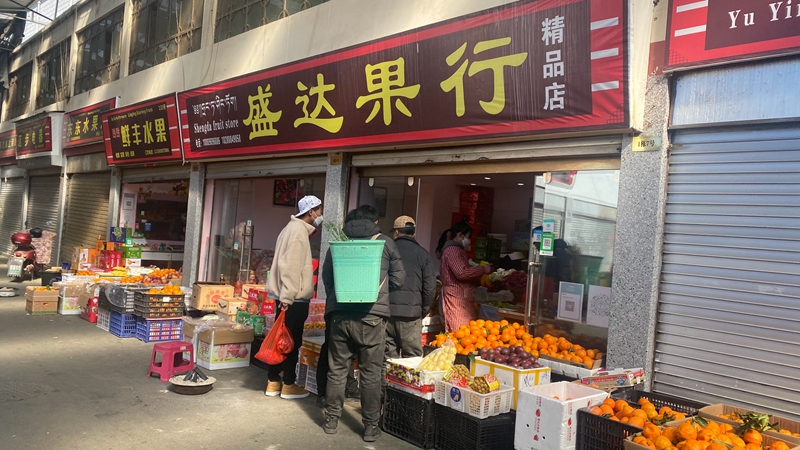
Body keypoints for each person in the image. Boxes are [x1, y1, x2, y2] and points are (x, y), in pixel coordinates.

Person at [321, 205, 405, 442]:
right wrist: (377, 292)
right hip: (371, 318)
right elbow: (399, 279)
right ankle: (370, 427)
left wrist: (341, 296)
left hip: (340, 315)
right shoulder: (385, 243)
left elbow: (327, 278)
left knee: (337, 370)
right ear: (375, 222)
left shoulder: (339, 243)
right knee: (370, 373)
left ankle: (331, 420)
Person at [264, 195, 324, 400]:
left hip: (283, 295)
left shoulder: (289, 228)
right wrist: (288, 297)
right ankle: (288, 384)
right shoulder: (298, 231)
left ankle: (273, 381)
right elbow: (291, 266)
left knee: (280, 339)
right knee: (290, 341)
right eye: (320, 210)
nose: (321, 214)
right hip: (293, 298)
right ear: (311, 211)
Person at [387, 215, 436, 358]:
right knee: (412, 359)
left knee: (388, 358)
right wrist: (422, 310)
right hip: (411, 315)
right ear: (413, 233)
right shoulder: (423, 254)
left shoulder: (386, 251)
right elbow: (430, 288)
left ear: (396, 232)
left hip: (387, 313)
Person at [439, 221, 492, 332]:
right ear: (460, 235)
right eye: (468, 237)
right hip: (456, 299)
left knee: (466, 331)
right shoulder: (452, 251)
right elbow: (461, 273)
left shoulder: (457, 250)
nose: (469, 241)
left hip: (461, 299)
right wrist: (482, 269)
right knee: (459, 331)